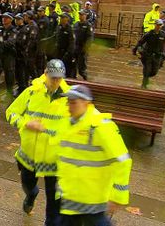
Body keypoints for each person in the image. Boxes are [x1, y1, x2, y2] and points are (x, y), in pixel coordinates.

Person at [5, 59, 70, 226]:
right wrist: (25, 123)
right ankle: (31, 194)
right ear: (45, 73)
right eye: (53, 77)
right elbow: (11, 112)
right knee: (28, 184)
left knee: (55, 204)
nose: (56, 81)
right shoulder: (32, 92)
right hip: (29, 155)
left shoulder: (69, 98)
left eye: (59, 78)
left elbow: (85, 119)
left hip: (54, 159)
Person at [55, 85, 132, 225]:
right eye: (68, 102)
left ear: (86, 103)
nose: (69, 106)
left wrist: (118, 196)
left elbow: (123, 161)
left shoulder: (100, 126)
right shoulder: (69, 122)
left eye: (73, 102)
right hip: (71, 192)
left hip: (92, 197)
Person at [133, 19, 165, 89]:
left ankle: (146, 78)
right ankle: (144, 84)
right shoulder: (149, 34)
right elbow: (140, 42)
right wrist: (135, 50)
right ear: (155, 25)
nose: (159, 26)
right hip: (147, 54)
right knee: (147, 70)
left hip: (157, 56)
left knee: (154, 71)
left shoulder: (163, 35)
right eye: (157, 25)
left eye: (160, 25)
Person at [73, 9, 94, 80]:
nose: (80, 16)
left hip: (83, 48)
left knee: (82, 67)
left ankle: (85, 78)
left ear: (85, 16)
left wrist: (85, 48)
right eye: (79, 14)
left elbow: (90, 38)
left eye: (82, 15)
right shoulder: (76, 24)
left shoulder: (88, 25)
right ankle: (73, 78)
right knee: (73, 64)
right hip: (76, 47)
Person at [0, 12, 17, 97]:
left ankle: (9, 91)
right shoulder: (1, 29)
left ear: (10, 20)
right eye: (3, 17)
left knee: (9, 73)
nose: (4, 19)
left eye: (6, 18)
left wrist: (0, 43)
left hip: (9, 54)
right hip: (1, 54)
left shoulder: (13, 30)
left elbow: (10, 42)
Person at [56, 13, 76, 78]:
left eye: (62, 18)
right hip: (59, 51)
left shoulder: (70, 29)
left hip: (66, 52)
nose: (61, 19)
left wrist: (69, 53)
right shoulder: (59, 27)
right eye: (60, 18)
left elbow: (71, 42)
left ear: (66, 19)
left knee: (67, 68)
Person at [14, 13, 29, 95]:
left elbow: (22, 42)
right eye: (16, 19)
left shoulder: (24, 29)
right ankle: (20, 87)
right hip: (16, 54)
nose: (16, 21)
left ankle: (22, 89)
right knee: (18, 73)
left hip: (22, 55)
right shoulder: (16, 29)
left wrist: (14, 40)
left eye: (18, 19)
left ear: (22, 20)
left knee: (22, 73)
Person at [24, 11, 40, 80]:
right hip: (28, 50)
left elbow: (32, 39)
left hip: (31, 51)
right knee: (27, 68)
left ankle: (36, 82)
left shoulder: (33, 26)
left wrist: (27, 49)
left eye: (25, 16)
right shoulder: (28, 25)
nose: (24, 17)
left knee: (31, 67)